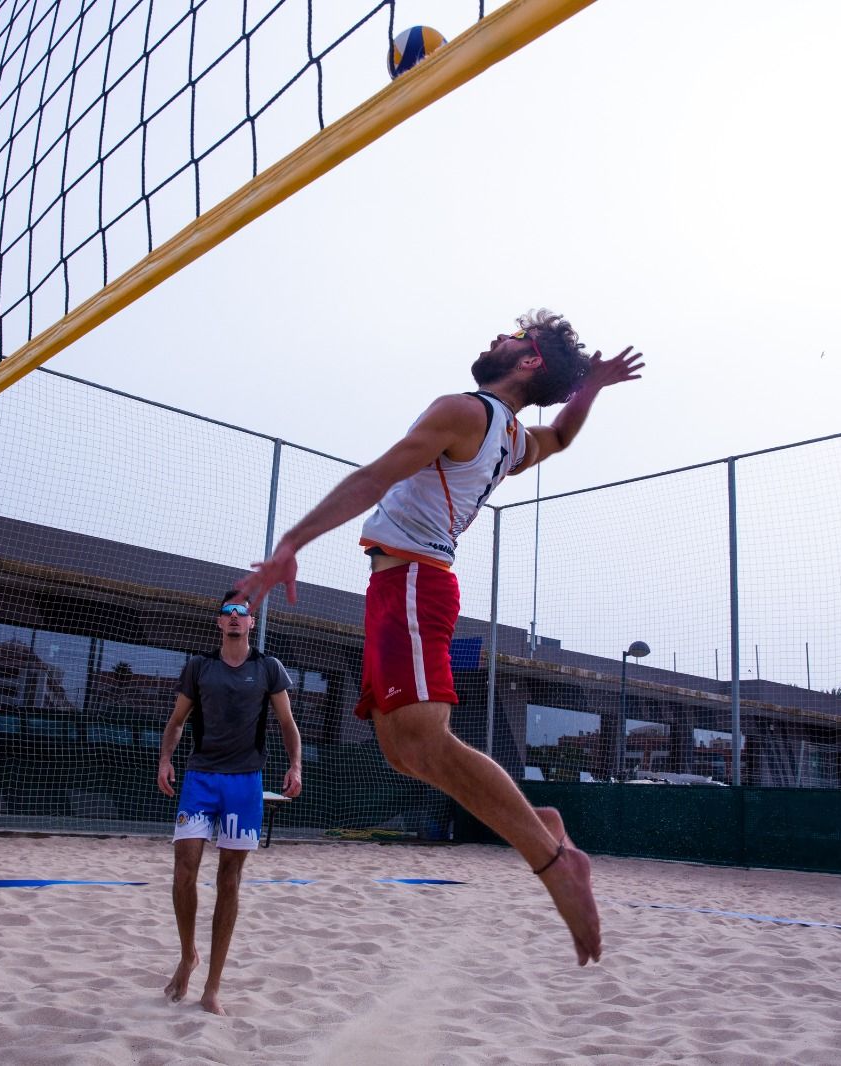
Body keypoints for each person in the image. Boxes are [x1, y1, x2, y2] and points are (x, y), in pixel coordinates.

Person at [236, 309, 642, 967]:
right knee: (403, 753)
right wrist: (590, 385)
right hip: (397, 587)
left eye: (509, 338)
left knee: (426, 741)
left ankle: (555, 863)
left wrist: (290, 543)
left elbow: (377, 477)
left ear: (529, 357)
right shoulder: (509, 437)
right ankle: (544, 830)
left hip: (415, 583)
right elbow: (561, 437)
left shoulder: (466, 411)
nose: (494, 339)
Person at [157, 591, 303, 1014]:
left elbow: (287, 723)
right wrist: (166, 759)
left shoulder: (267, 668)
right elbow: (176, 721)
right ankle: (188, 955)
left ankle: (213, 987)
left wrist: (295, 766)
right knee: (184, 870)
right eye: (229, 612)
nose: (236, 617)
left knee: (229, 880)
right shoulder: (199, 667)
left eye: (244, 612)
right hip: (200, 779)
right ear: (219, 623)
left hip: (244, 783)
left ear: (252, 623)